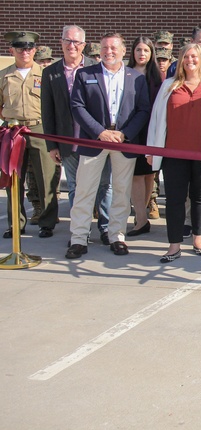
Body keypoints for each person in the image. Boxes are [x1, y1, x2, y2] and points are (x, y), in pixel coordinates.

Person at [146, 42, 201, 263]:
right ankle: (174, 245)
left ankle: (198, 239)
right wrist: (151, 149)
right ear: (180, 60)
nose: (190, 61)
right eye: (186, 57)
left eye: (194, 56)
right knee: (175, 199)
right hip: (173, 154)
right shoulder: (169, 85)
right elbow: (156, 120)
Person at [66, 32, 151, 258]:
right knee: (85, 190)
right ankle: (78, 238)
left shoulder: (136, 78)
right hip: (94, 139)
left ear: (124, 51)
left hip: (124, 141)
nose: (108, 52)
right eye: (104, 48)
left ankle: (117, 236)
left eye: (114, 48)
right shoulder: (84, 75)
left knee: (122, 191)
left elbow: (143, 110)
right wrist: (100, 132)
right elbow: (77, 107)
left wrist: (125, 134)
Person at [41, 25, 111, 238]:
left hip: (94, 139)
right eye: (68, 41)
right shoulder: (50, 73)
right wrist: (52, 145)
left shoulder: (97, 67)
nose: (72, 46)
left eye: (77, 42)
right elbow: (48, 111)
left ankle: (106, 228)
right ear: (61, 42)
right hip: (67, 140)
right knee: (75, 186)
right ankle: (80, 231)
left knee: (103, 185)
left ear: (84, 45)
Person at [0, 30, 60, 238]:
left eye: (28, 48)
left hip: (39, 128)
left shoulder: (46, 74)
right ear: (11, 50)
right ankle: (16, 223)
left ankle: (47, 222)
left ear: (34, 50)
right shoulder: (4, 75)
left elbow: (53, 105)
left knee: (47, 177)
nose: (24, 52)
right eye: (19, 48)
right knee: (13, 178)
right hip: (13, 130)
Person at [125, 36, 164, 237]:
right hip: (132, 131)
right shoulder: (125, 74)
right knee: (136, 175)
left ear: (152, 54)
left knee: (150, 175)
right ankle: (140, 218)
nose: (142, 54)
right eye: (138, 50)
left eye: (146, 51)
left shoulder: (159, 78)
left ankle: (144, 213)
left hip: (152, 130)